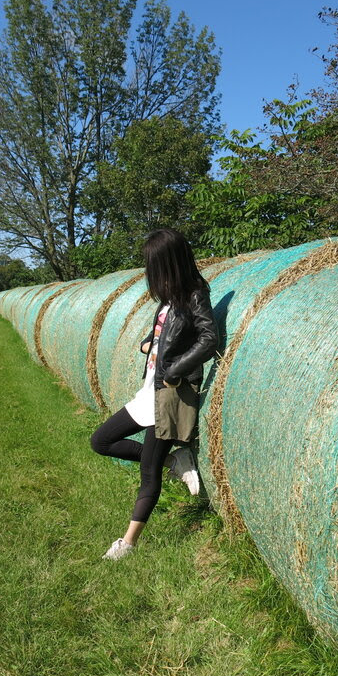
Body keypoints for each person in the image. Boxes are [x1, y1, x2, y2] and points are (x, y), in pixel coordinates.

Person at [90, 228, 218, 560]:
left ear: (169, 264)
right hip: (150, 389)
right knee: (101, 441)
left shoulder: (195, 295)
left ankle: (128, 544)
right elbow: (160, 335)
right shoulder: (168, 298)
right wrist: (148, 344)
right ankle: (175, 459)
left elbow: (209, 339)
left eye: (153, 265)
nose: (150, 272)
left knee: (149, 472)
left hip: (169, 393)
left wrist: (175, 370)